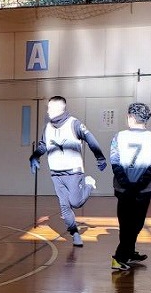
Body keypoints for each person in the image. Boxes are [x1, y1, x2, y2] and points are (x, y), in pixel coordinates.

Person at [29, 96, 106, 248]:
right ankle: (74, 233)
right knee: (64, 206)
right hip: (56, 173)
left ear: (60, 108)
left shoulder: (74, 124)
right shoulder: (47, 127)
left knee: (76, 202)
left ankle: (89, 184)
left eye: (50, 108)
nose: (48, 111)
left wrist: (100, 157)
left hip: (73, 172)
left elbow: (90, 139)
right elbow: (43, 145)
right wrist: (35, 156)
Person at [109, 102, 151, 272]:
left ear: (131, 117)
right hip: (143, 189)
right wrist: (139, 185)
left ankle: (128, 253)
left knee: (127, 223)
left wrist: (127, 184)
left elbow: (115, 162)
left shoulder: (119, 137)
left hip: (123, 188)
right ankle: (120, 257)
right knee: (135, 223)